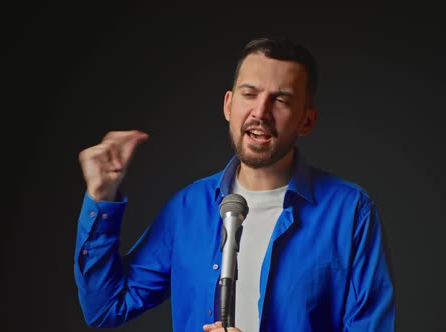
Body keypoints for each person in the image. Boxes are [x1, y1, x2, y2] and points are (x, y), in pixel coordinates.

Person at [74, 37, 395, 331]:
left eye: (281, 99)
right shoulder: (188, 208)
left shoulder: (351, 211)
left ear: (306, 121)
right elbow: (106, 307)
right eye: (249, 94)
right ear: (229, 105)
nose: (260, 111)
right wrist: (103, 196)